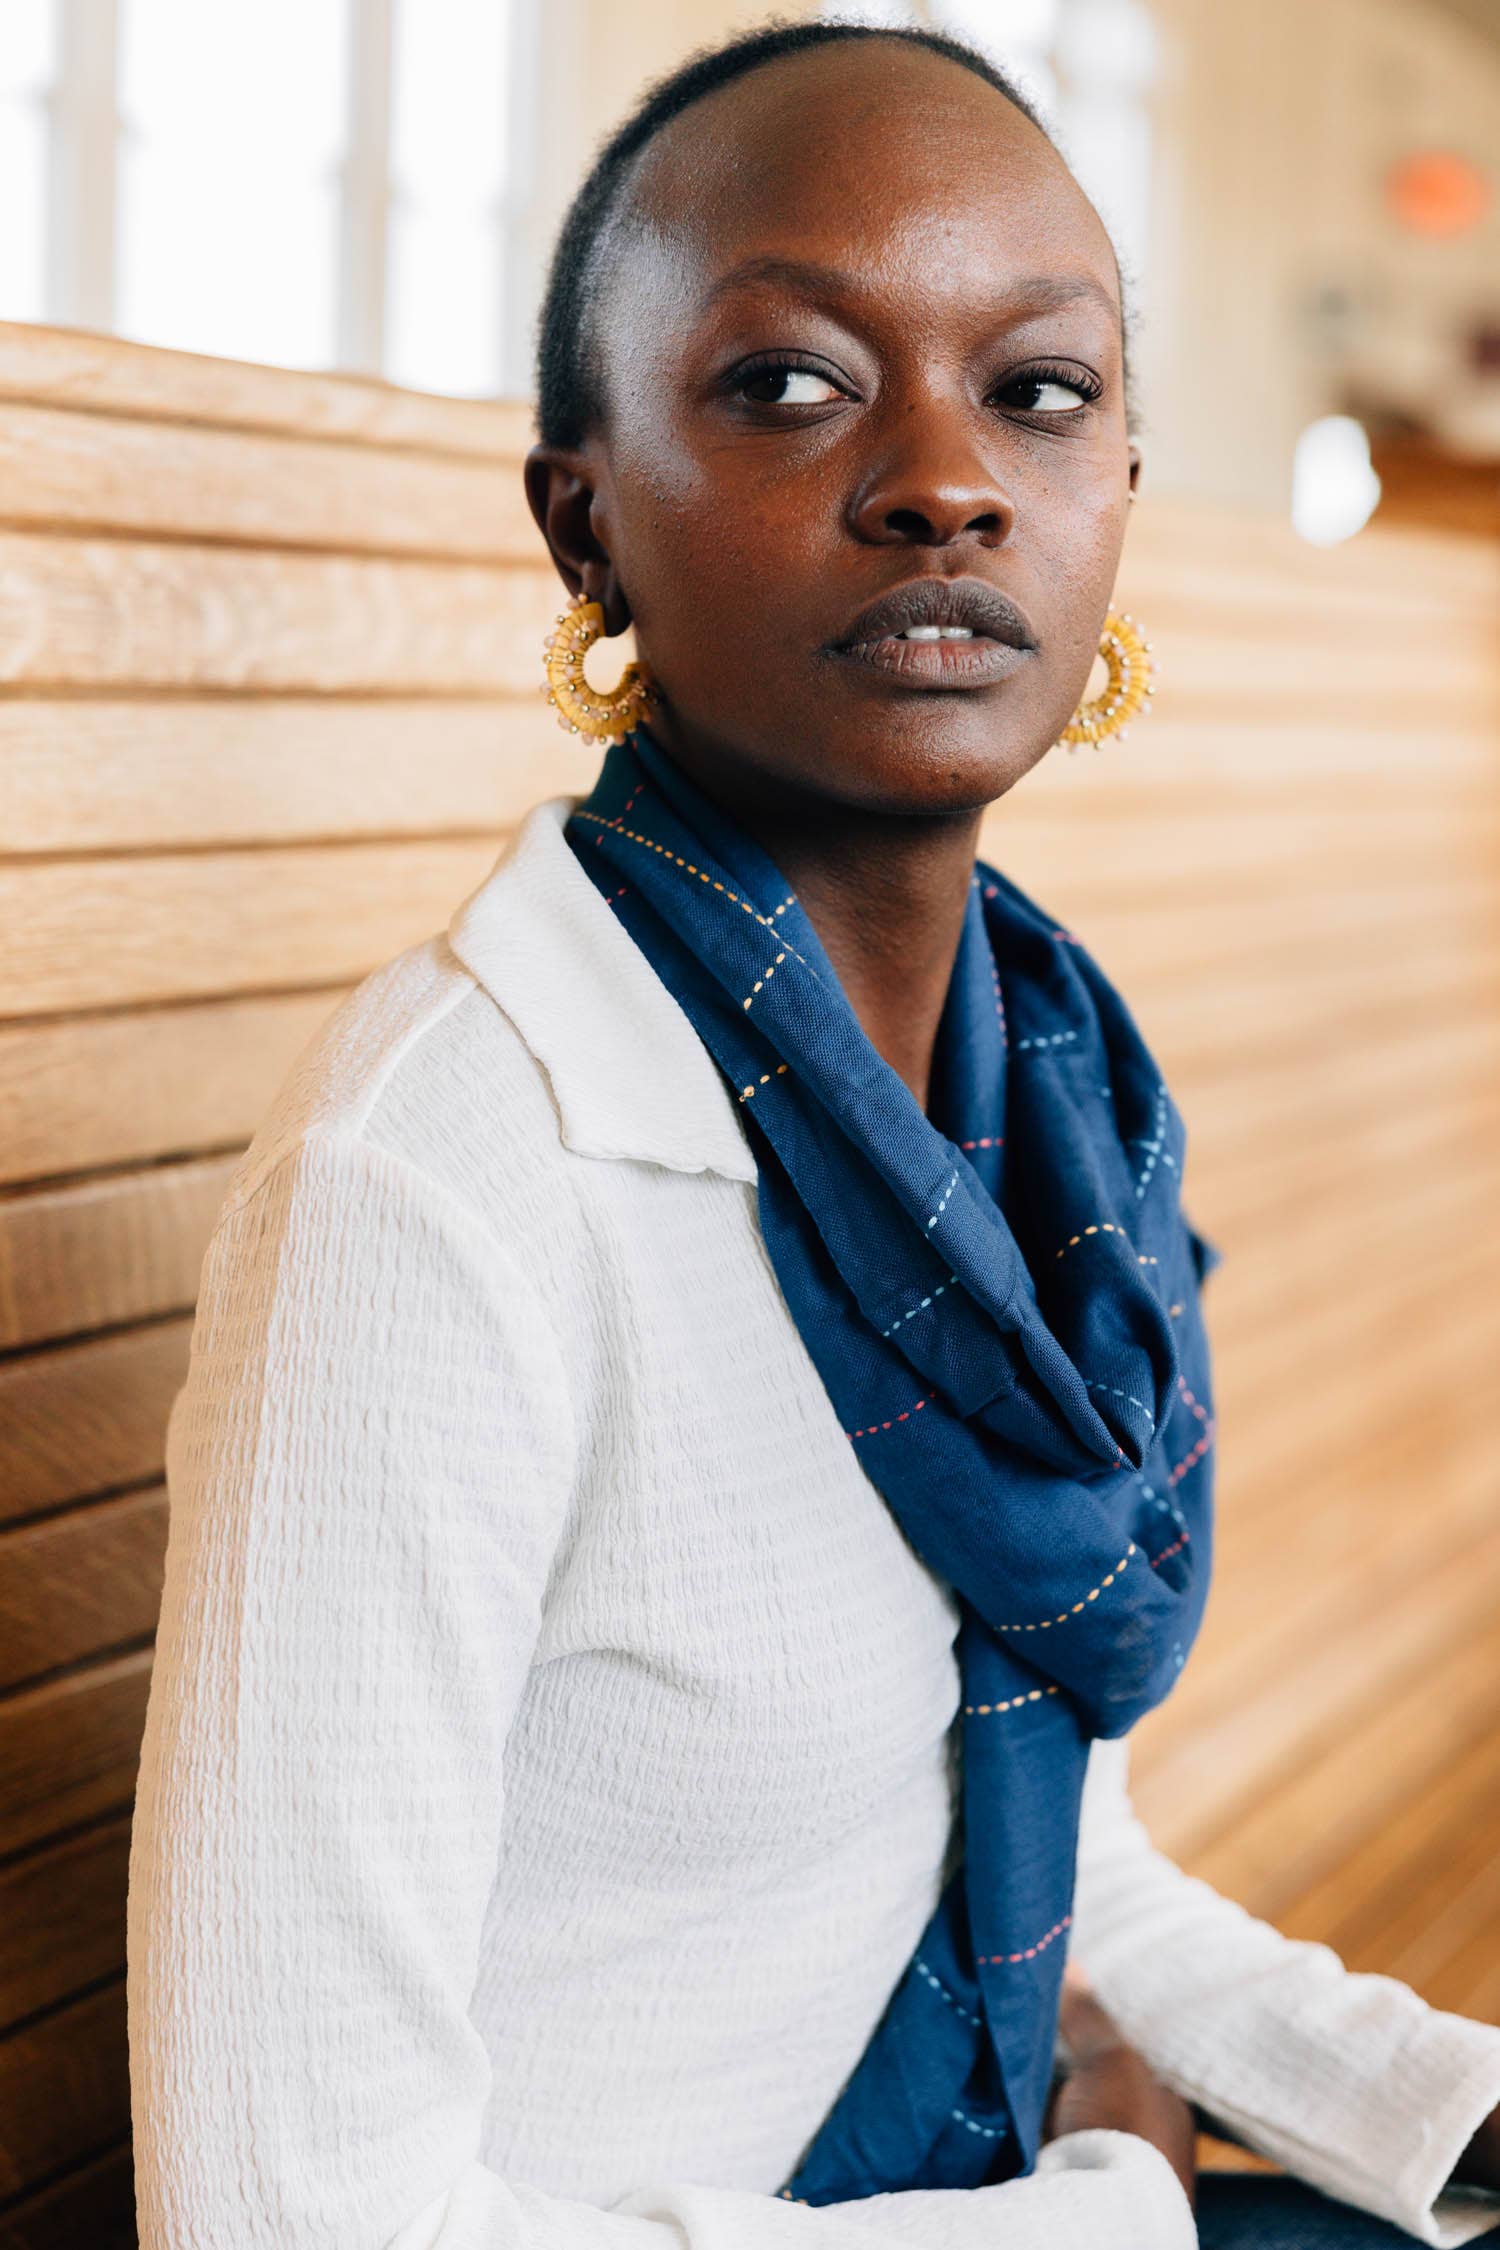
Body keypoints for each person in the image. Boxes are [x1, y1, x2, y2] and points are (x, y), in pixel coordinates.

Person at [125, 23, 1500, 2250]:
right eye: (789, 386)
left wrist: (1447, 2107)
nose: (947, 480)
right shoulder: (445, 1189)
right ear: (587, 518)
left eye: (1038, 394)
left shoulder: (1042, 1095)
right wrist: (1103, 2207)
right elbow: (291, 2214)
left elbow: (1028, 1824)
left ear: (1120, 490)